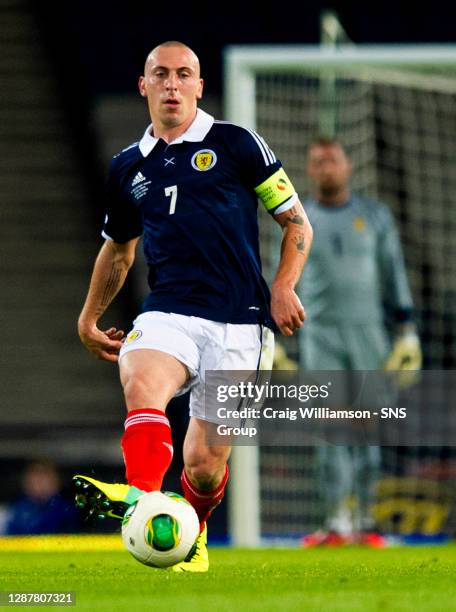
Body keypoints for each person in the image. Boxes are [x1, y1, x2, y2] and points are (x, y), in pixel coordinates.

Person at [74, 41, 313, 571]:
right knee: (142, 383)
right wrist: (89, 317)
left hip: (240, 321)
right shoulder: (127, 168)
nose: (172, 84)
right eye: (161, 74)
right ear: (144, 86)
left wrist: (282, 285)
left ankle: (194, 529)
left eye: (184, 74)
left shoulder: (236, 143)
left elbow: (296, 222)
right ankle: (139, 499)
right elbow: (119, 249)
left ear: (200, 86)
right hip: (168, 310)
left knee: (205, 466)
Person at [298, 137, 421, 547]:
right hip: (321, 337)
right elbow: (280, 279)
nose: (325, 167)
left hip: (370, 335)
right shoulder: (299, 218)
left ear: (348, 166)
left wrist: (407, 330)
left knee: (369, 430)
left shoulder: (375, 216)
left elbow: (394, 272)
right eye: (317, 161)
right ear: (310, 170)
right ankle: (334, 523)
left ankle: (368, 522)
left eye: (332, 159)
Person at [4, 460, 81, 535]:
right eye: (34, 478)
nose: (39, 484)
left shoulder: (67, 509)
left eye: (44, 478)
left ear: (56, 481)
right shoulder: (19, 509)